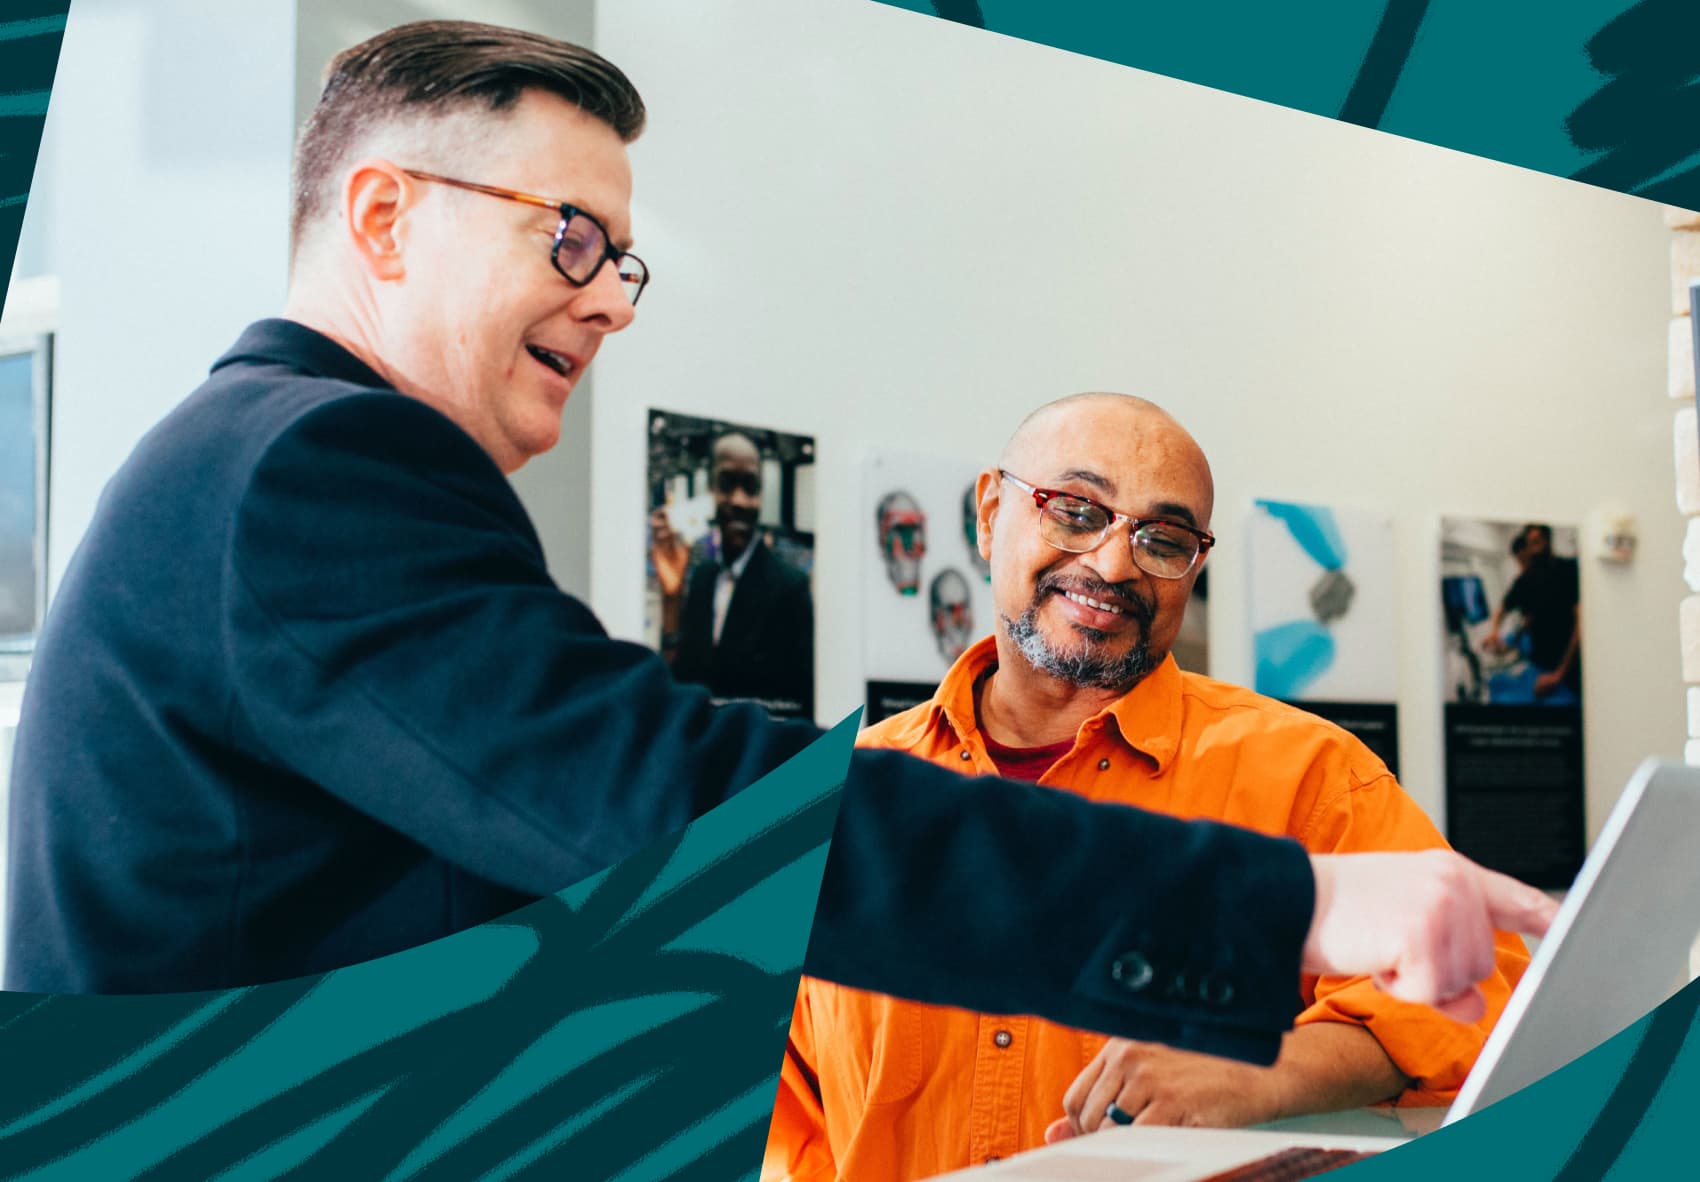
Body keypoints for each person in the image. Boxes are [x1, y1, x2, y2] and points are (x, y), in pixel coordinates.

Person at [5, 21, 1552, 1072]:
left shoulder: (261, 460)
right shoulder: (316, 466)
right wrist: (1287, 907)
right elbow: (675, 816)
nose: (610, 297)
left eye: (625, 261)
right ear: (385, 217)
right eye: (570, 237)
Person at [764, 394, 1533, 1181]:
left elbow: (1479, 1000)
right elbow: (780, 1115)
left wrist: (1263, 1071)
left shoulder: (1309, 776)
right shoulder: (840, 802)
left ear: (1193, 567)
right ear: (990, 513)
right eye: (1075, 509)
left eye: (1162, 538)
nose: (1111, 562)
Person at [648, 431, 815, 718]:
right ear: (711, 489)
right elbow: (680, 683)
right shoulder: (702, 577)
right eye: (726, 484)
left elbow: (799, 707)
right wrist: (671, 598)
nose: (738, 500)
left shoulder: (789, 588)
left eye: (750, 488)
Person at [1482, 523, 1582, 703]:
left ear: (1548, 541)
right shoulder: (1526, 581)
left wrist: (1559, 674)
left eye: (1537, 542)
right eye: (1531, 544)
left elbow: (1580, 623)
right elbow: (1504, 609)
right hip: (1538, 665)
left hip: (1567, 669)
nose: (1533, 551)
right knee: (1497, 686)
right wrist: (1494, 632)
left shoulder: (1567, 569)